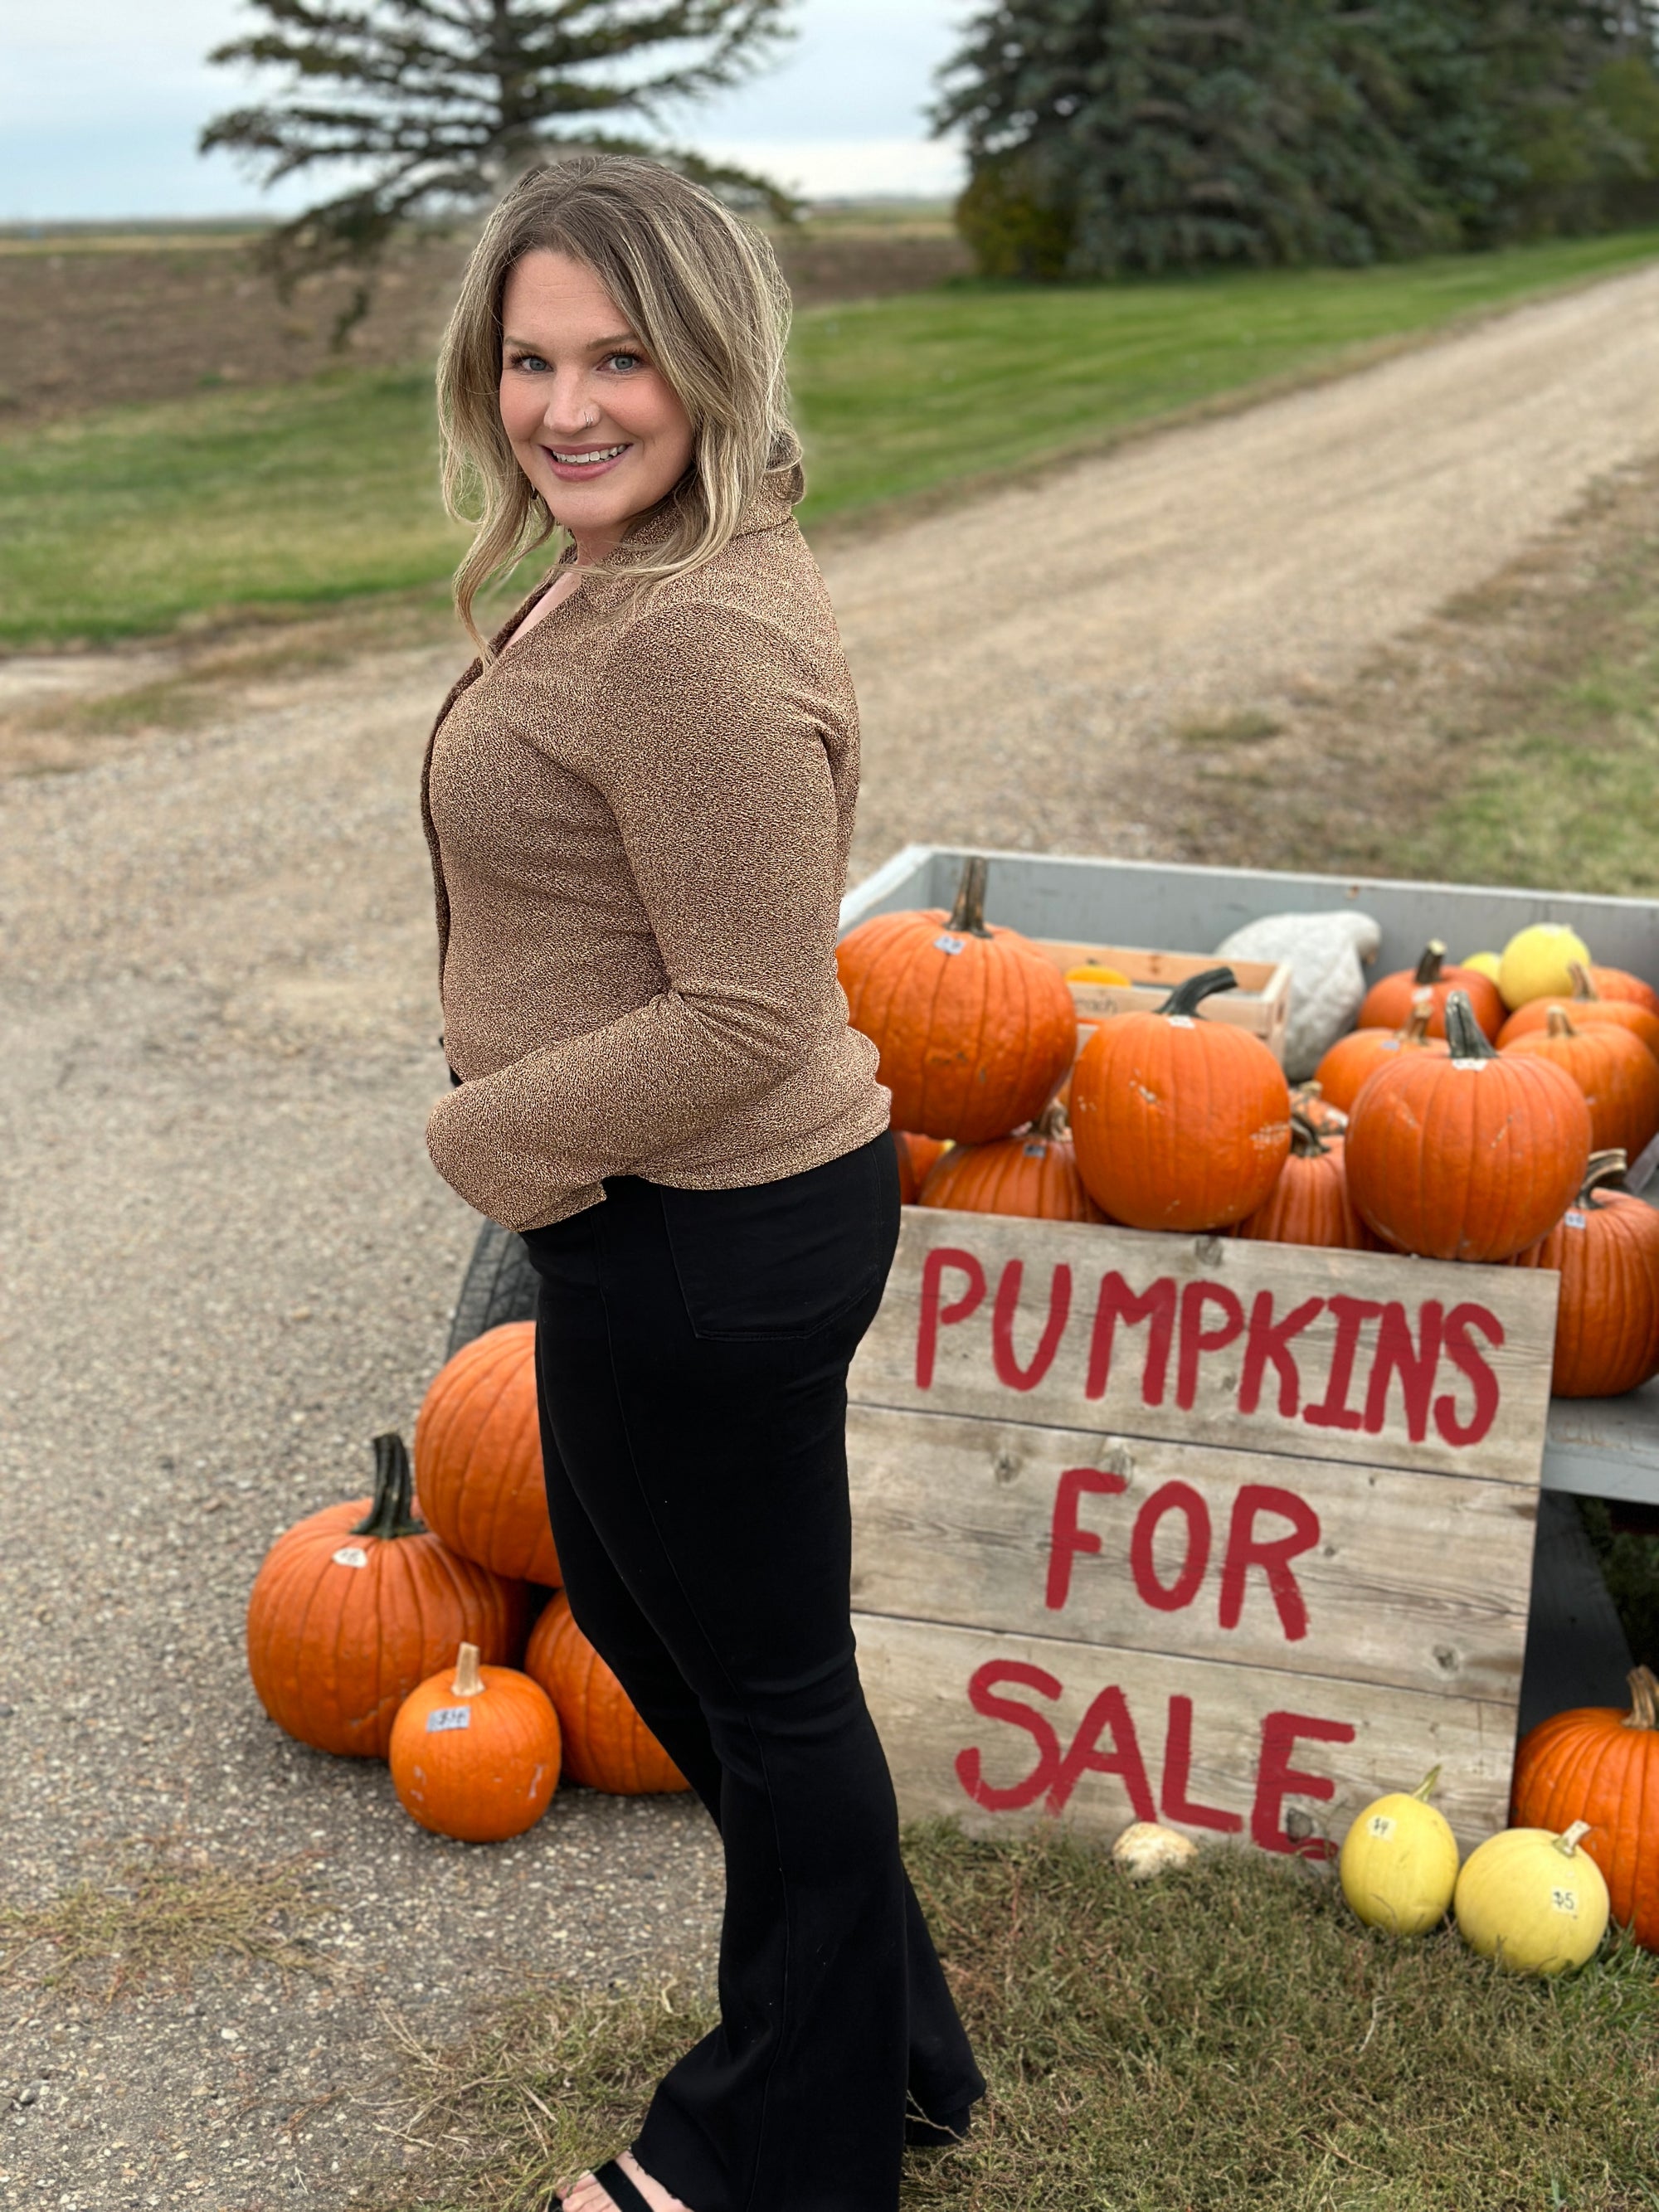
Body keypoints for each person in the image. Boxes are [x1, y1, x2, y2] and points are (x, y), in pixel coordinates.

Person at [418, 155, 984, 2212]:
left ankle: (764, 2149)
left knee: (761, 1690)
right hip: (637, 1216)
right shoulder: (636, 553)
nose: (564, 405)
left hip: (703, 1228)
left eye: (619, 357)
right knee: (694, 1669)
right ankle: (898, 2046)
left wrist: (480, 1130)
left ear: (708, 360)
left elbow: (750, 1005)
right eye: (529, 358)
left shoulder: (686, 635)